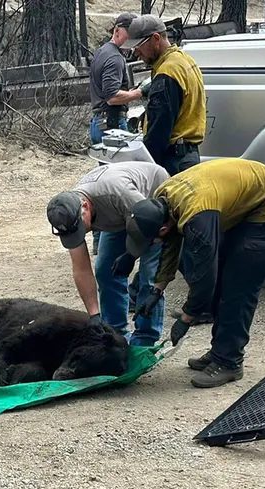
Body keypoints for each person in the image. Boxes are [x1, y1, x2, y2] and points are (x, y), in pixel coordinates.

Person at [118, 158, 265, 388]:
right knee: (227, 277)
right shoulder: (163, 197)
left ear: (161, 228)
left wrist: (187, 317)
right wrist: (158, 289)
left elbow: (206, 277)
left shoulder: (197, 219)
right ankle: (219, 351)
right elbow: (170, 243)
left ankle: (229, 362)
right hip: (242, 202)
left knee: (238, 286)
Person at [46, 161, 170, 347]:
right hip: (118, 214)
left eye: (81, 228)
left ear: (85, 206)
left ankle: (145, 340)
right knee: (105, 270)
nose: (81, 233)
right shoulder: (68, 214)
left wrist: (130, 255)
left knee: (149, 275)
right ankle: (115, 334)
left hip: (149, 206)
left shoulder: (118, 193)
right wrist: (94, 316)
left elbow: (153, 227)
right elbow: (81, 269)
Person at [87, 12, 145, 256]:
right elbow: (112, 96)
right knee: (116, 185)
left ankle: (100, 242)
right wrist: (139, 93)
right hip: (110, 122)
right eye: (131, 36)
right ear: (119, 31)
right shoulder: (114, 58)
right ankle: (109, 244)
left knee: (104, 182)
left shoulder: (103, 51)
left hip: (99, 122)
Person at [120, 14, 206, 176]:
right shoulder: (184, 60)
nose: (136, 53)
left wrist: (144, 167)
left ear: (156, 38)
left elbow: (160, 129)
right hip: (187, 156)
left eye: (138, 46)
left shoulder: (167, 73)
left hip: (172, 161)